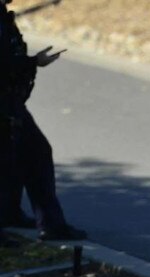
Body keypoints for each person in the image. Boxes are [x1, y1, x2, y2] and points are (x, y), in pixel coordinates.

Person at [0, 0, 86, 241]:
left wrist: (31, 62)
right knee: (19, 157)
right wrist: (33, 62)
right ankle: (47, 224)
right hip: (4, 106)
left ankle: (25, 217)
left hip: (11, 103)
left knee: (30, 154)